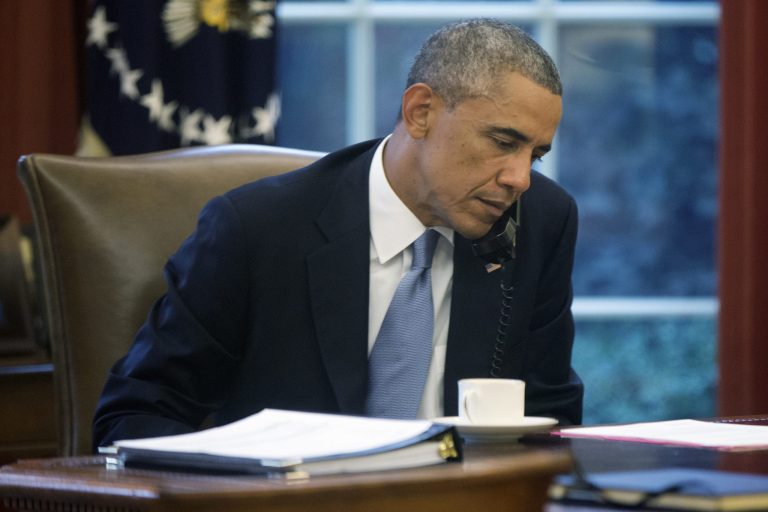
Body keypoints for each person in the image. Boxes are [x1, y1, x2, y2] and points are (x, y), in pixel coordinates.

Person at [92, 18, 583, 450]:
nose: (519, 178)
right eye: (503, 142)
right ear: (421, 112)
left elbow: (550, 416)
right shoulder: (256, 230)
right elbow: (134, 416)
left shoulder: (542, 219)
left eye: (535, 155)